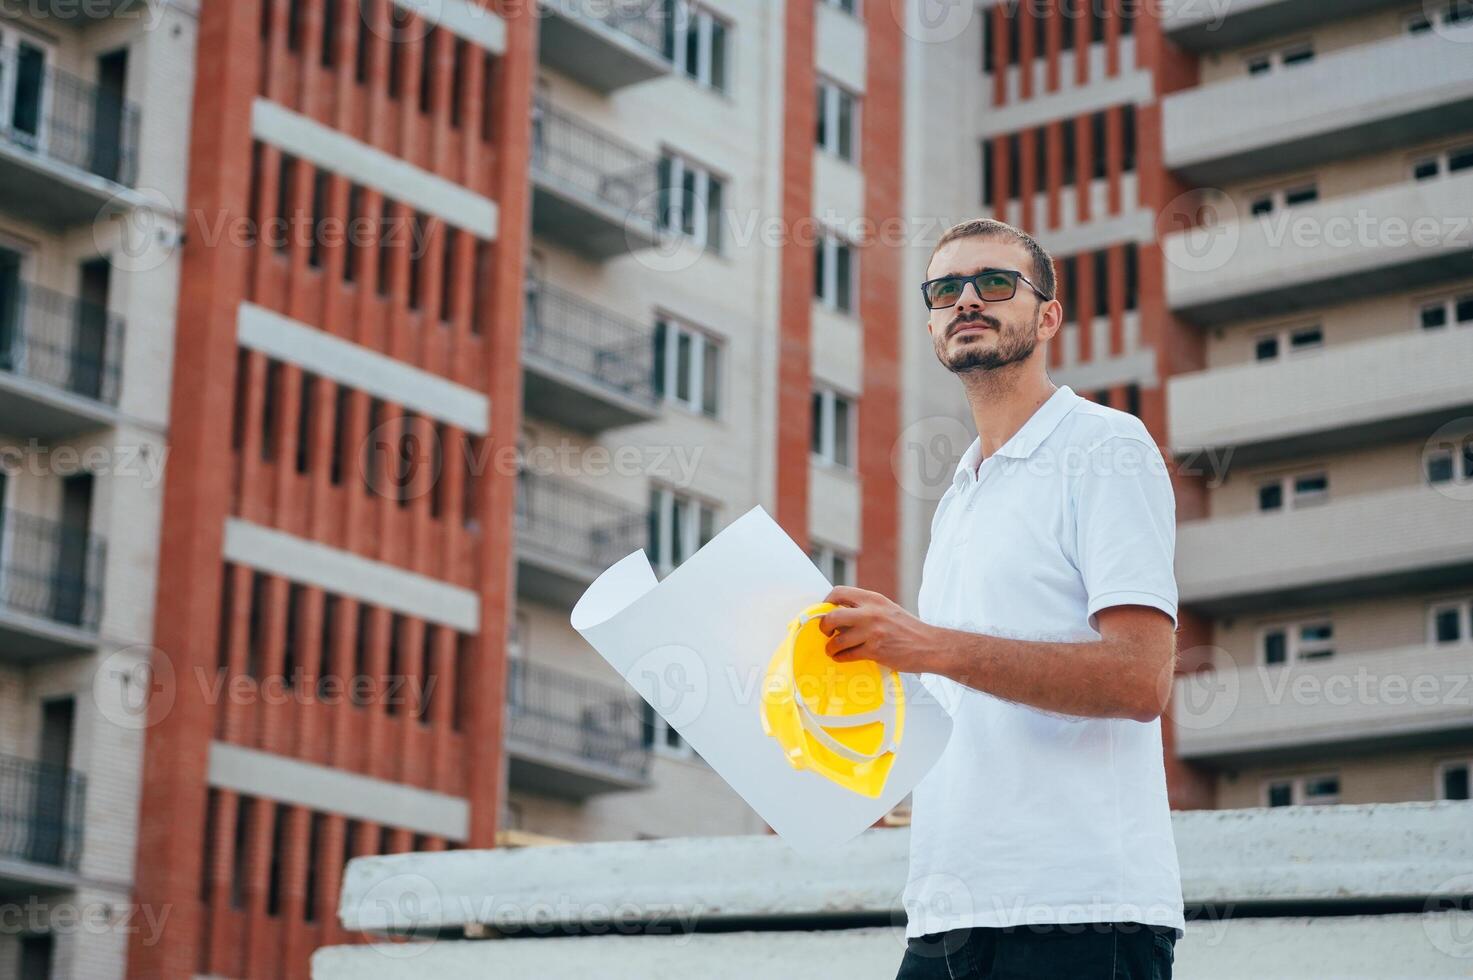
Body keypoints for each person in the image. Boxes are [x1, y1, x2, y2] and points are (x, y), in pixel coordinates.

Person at [819, 219, 1182, 979]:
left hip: (1080, 916)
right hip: (947, 917)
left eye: (993, 283)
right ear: (929, 322)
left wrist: (925, 644)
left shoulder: (1105, 447)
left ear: (1047, 315)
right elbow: (963, 699)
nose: (966, 302)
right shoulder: (960, 490)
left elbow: (1139, 680)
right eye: (944, 289)